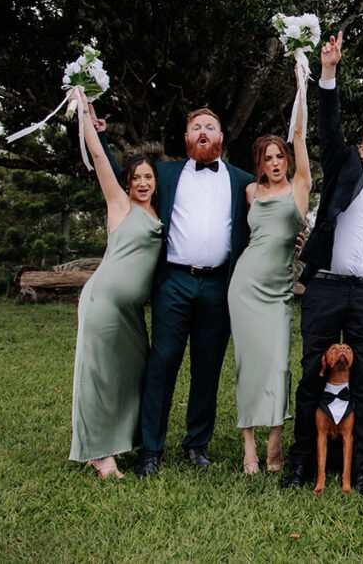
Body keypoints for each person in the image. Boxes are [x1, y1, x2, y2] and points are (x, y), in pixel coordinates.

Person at [94, 104, 256, 476]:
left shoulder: (240, 179)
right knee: (162, 362)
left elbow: (272, 206)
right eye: (196, 127)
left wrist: (293, 235)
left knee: (207, 367)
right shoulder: (163, 174)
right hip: (174, 281)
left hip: (219, 284)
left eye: (210, 127)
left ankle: (197, 444)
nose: (203, 131)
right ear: (186, 139)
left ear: (220, 137)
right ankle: (151, 448)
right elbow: (116, 176)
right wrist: (99, 135)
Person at [282, 31, 363, 496]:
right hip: (327, 287)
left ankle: (359, 472)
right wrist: (328, 73)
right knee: (313, 367)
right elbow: (329, 127)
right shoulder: (344, 167)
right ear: (361, 149)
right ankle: (299, 466)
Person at [70, 88, 162, 478]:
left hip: (130, 312)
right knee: (100, 373)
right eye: (136, 178)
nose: (142, 183)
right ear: (127, 183)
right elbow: (97, 159)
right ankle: (98, 452)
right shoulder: (119, 205)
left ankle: (118, 440)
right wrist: (86, 118)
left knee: (132, 370)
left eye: (148, 177)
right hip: (104, 302)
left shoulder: (160, 212)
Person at [227, 79, 311, 475]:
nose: (275, 163)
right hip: (245, 285)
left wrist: (300, 87)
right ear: (259, 162)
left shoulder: (299, 187)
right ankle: (249, 449)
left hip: (278, 288)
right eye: (268, 158)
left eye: (280, 156)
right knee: (248, 365)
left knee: (278, 363)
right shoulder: (249, 192)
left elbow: (299, 134)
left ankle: (275, 442)